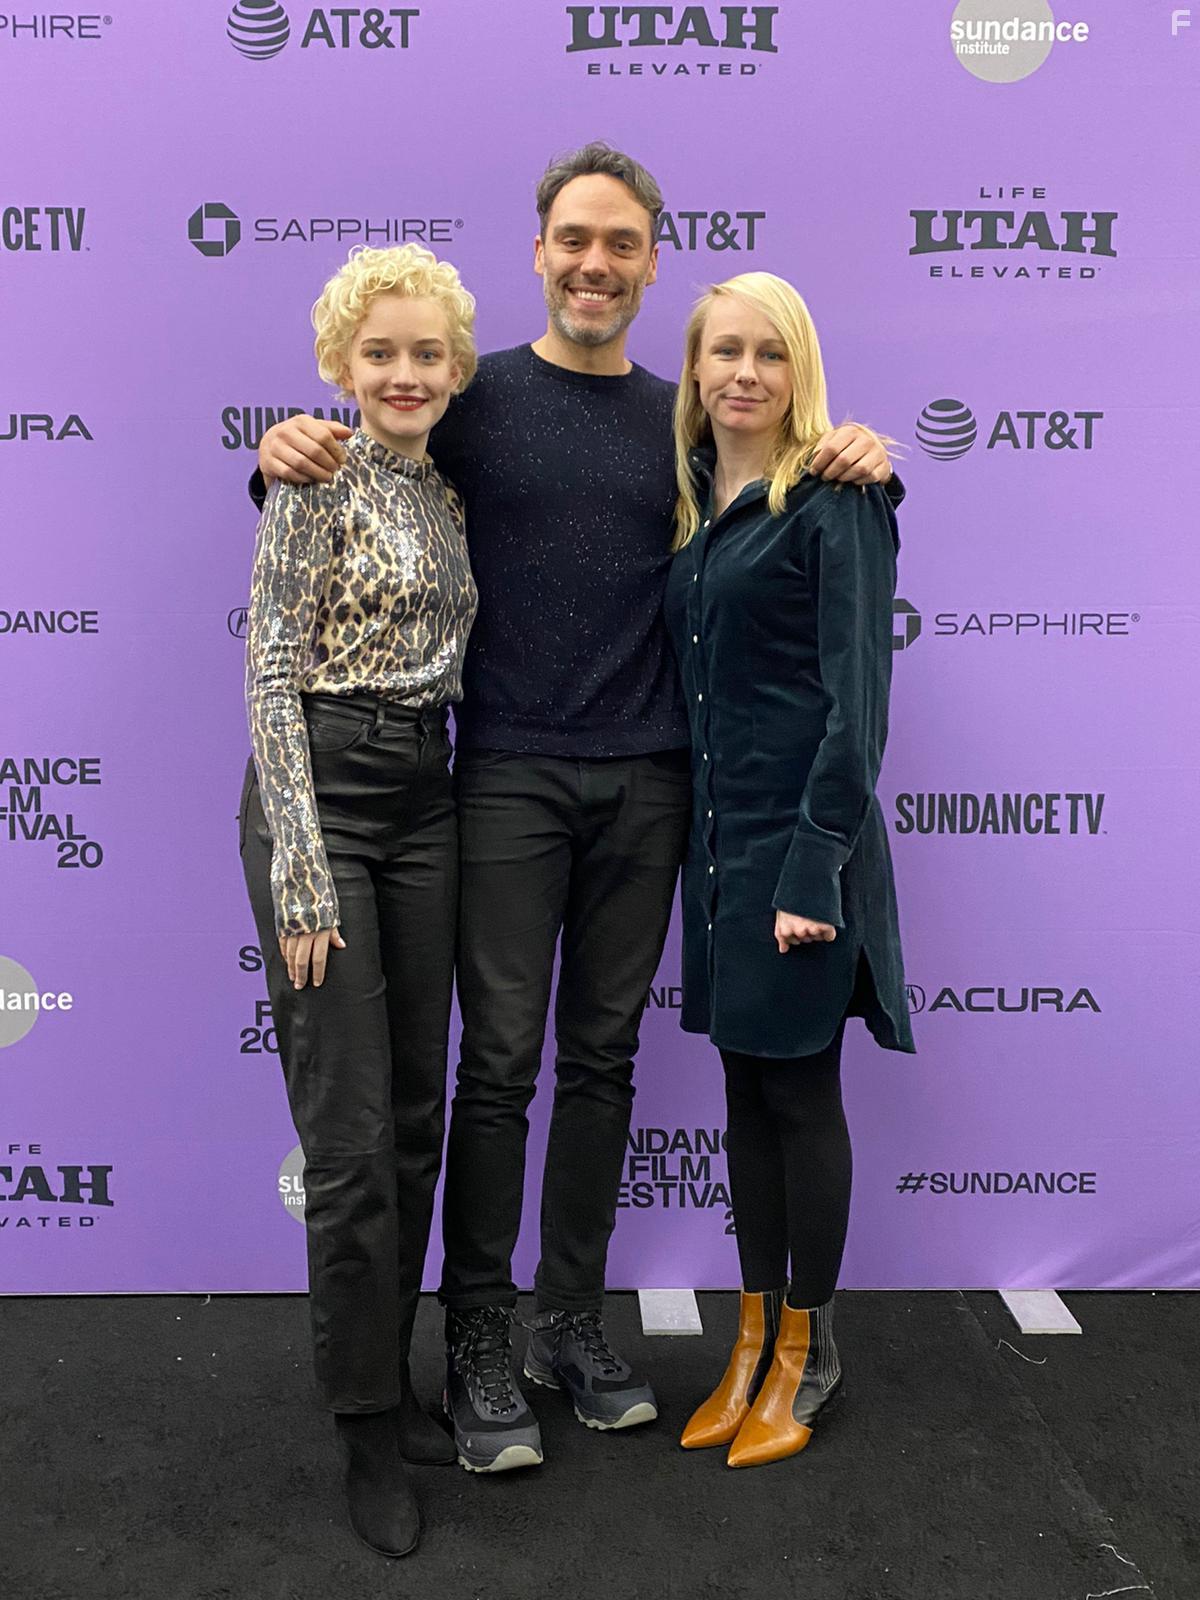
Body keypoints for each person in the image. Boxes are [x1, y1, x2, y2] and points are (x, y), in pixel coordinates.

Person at [252, 143, 898, 1475]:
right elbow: (365, 455)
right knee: (498, 1064)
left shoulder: (686, 418)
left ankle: (571, 1326)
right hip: (498, 777)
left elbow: (794, 503)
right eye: (572, 240)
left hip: (655, 780)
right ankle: (480, 1334)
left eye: (621, 243)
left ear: (652, 260)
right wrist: (279, 453)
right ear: (539, 253)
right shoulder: (471, 399)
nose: (595, 263)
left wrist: (868, 458)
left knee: (601, 1061)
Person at [239, 244, 478, 1554]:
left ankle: (392, 1383)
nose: (402, 372)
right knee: (345, 1143)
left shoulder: (444, 492)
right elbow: (272, 675)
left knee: (413, 1117)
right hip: (319, 792)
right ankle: (362, 1434)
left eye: (425, 353)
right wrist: (302, 865)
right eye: (379, 352)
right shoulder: (311, 475)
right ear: (342, 364)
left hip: (427, 799)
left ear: (454, 369)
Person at [664, 271, 915, 1468]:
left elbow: (857, 706)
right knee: (745, 1101)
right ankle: (750, 1339)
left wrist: (814, 866)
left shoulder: (836, 500)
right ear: (697, 369)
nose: (743, 372)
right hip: (716, 859)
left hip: (801, 853)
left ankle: (811, 1354)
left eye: (769, 351)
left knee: (802, 1101)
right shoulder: (701, 511)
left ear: (798, 369)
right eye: (723, 350)